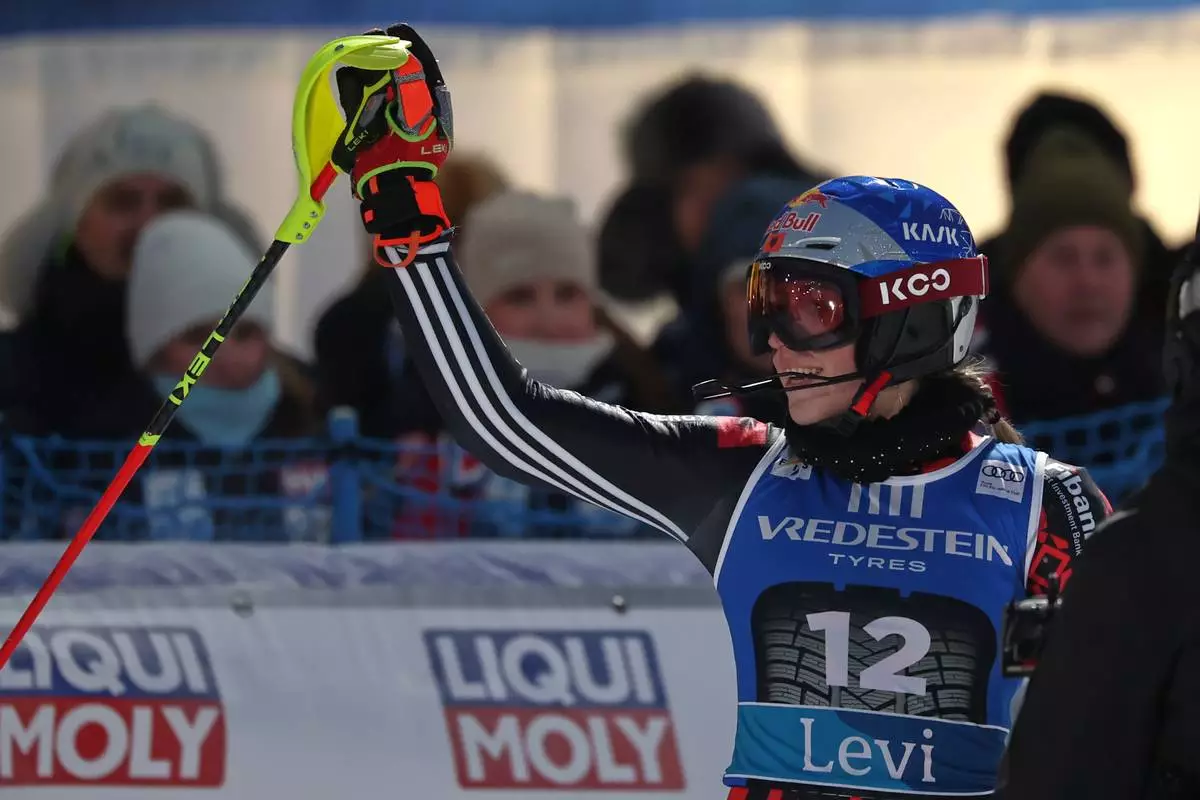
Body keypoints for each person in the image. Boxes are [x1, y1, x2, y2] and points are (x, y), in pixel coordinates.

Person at [332, 24, 1110, 798]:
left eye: (811, 309)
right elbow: (504, 419)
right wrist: (403, 212)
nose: (774, 341)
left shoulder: (1045, 504)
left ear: (909, 321)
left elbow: (1125, 726)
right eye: (766, 304)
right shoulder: (743, 474)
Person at [996, 238, 1200, 798]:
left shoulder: (1143, 552)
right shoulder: (1145, 559)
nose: (1087, 282)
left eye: (1106, 258)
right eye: (1063, 258)